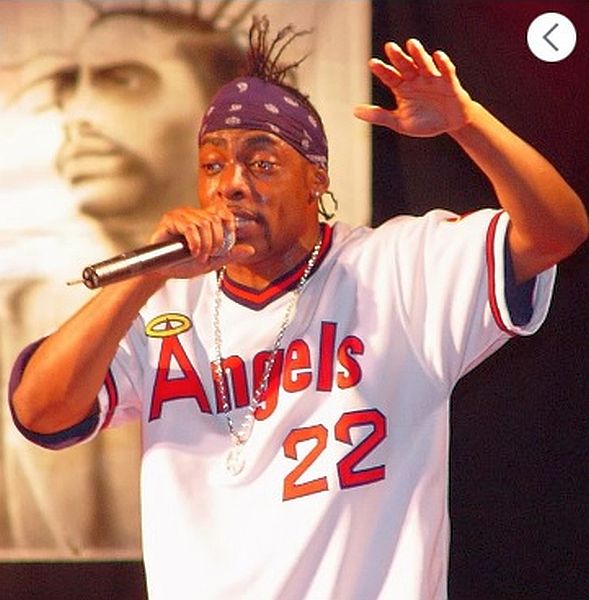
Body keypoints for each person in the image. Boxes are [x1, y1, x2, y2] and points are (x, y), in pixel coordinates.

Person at [9, 16, 587, 599]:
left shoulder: (398, 269)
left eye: (262, 164)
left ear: (317, 179)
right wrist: (144, 277)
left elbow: (557, 230)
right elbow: (40, 412)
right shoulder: (164, 303)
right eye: (213, 165)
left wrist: (469, 123)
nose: (232, 184)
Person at [0, 6, 246, 555]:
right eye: (70, 86)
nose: (79, 114)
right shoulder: (19, 311)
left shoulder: (301, 288)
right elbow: (40, 413)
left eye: (122, 80)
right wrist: (144, 275)